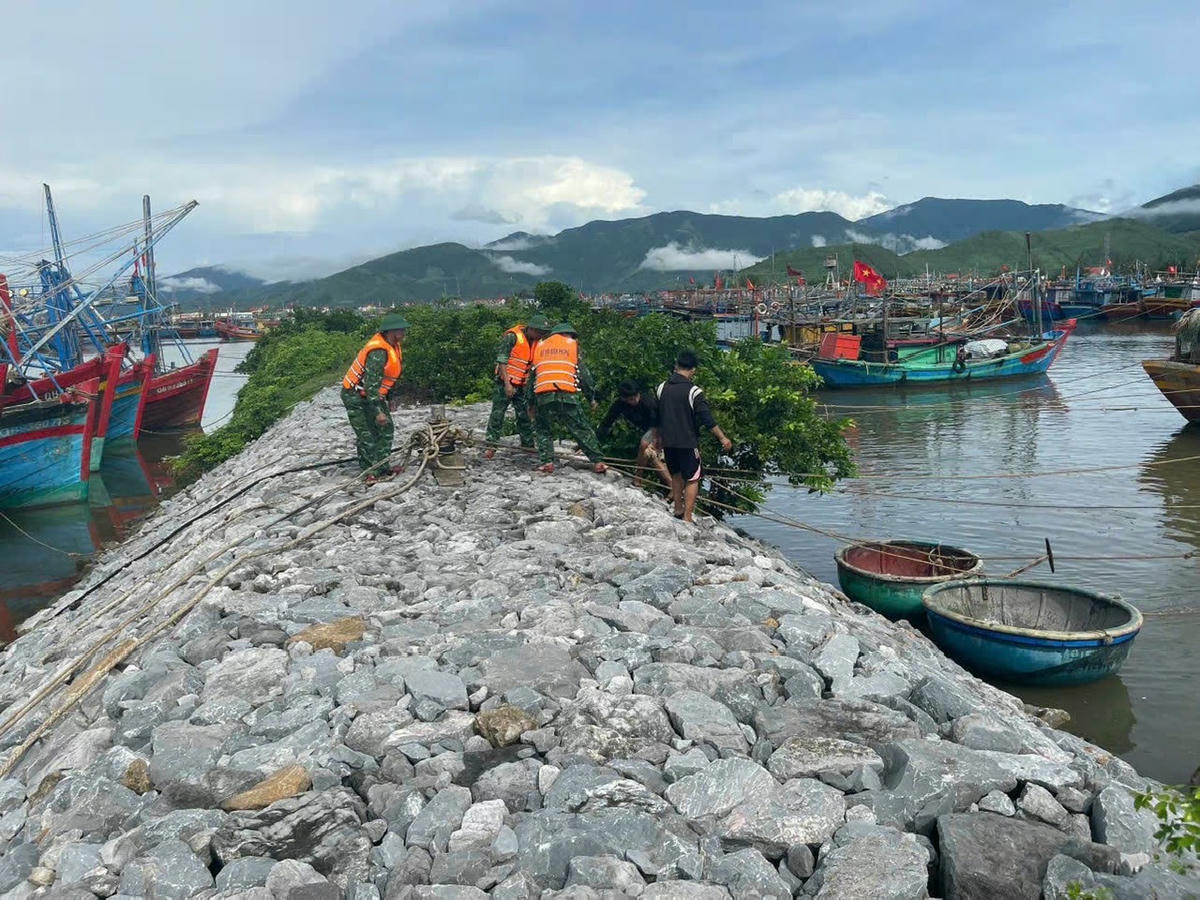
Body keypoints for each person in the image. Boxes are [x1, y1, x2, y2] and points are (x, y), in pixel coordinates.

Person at [656, 349, 732, 522]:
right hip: (687, 441)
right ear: (693, 370)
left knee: (675, 474)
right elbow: (707, 419)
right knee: (692, 478)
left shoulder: (661, 388)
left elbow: (656, 415)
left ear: (676, 366)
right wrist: (723, 438)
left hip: (668, 441)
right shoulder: (694, 392)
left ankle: (677, 508)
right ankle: (688, 517)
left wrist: (658, 437)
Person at [527, 322, 607, 474]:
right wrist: (591, 398)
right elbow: (584, 376)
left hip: (543, 394)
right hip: (566, 393)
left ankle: (547, 462)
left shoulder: (541, 346)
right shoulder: (572, 346)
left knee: (543, 428)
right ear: (567, 334)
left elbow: (533, 377)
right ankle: (598, 461)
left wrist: (530, 403)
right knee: (580, 428)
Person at [341, 313, 408, 482]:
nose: (404, 333)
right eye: (401, 330)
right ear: (392, 332)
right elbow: (371, 385)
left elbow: (387, 378)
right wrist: (378, 411)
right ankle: (370, 471)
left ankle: (382, 466)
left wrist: (389, 399)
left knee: (385, 430)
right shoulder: (378, 352)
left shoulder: (392, 347)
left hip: (371, 395)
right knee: (367, 434)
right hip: (355, 396)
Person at [484, 314, 550, 458]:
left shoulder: (537, 342)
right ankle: (491, 445)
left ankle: (527, 446)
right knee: (498, 414)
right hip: (505, 382)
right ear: (531, 329)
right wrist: (507, 384)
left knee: (524, 415)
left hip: (523, 385)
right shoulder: (512, 337)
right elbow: (502, 360)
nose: (540, 336)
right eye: (539, 332)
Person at [597, 379, 669, 488]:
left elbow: (658, 423)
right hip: (650, 430)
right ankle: (670, 486)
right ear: (623, 399)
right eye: (631, 399)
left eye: (636, 396)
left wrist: (656, 441)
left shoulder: (648, 402)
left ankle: (638, 479)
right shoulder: (619, 405)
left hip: (663, 428)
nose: (635, 400)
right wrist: (592, 444)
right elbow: (606, 423)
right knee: (649, 456)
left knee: (644, 447)